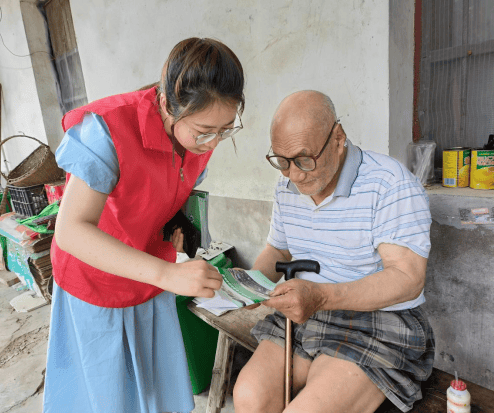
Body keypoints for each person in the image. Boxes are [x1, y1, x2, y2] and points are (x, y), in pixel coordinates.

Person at [43, 37, 245, 413]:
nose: (214, 142)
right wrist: (166, 274)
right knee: (108, 397)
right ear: (168, 104)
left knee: (156, 392)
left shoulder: (200, 139)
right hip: (96, 284)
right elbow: (71, 230)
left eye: (226, 129)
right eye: (204, 131)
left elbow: (165, 183)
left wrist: (174, 224)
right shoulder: (106, 131)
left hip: (150, 281)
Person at [233, 90, 435, 413]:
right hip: (307, 314)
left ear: (338, 138)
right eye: (282, 162)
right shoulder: (286, 186)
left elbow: (408, 278)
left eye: (303, 160)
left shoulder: (389, 183)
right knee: (248, 397)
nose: (294, 175)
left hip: (375, 321)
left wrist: (322, 297)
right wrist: (248, 284)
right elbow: (278, 250)